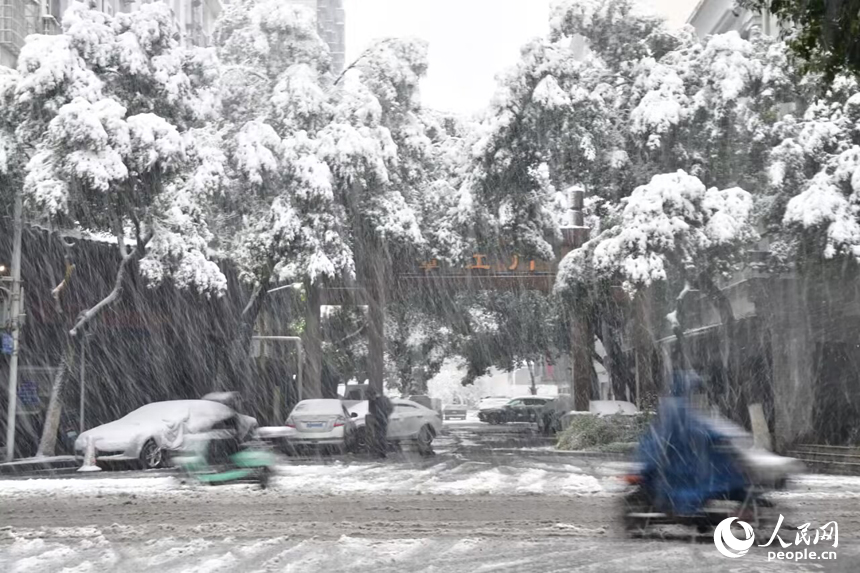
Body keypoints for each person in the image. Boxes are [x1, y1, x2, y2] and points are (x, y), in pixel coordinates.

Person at [366, 386, 393, 459]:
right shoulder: (376, 401)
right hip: (380, 420)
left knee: (380, 437)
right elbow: (390, 408)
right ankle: (381, 452)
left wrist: (384, 415)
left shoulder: (380, 400)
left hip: (381, 420)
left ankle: (381, 452)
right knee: (379, 436)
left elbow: (390, 408)